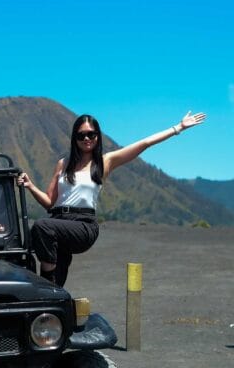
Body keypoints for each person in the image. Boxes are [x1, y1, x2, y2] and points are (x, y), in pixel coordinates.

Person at [18, 111, 206, 286]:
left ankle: (45, 279)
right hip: (59, 224)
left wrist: (178, 128)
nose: (86, 138)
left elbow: (144, 143)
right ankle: (46, 291)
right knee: (25, 242)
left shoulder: (105, 161)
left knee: (42, 227)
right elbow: (50, 202)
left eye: (90, 134)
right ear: (74, 138)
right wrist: (30, 186)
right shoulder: (63, 163)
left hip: (83, 225)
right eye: (81, 135)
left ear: (97, 136)